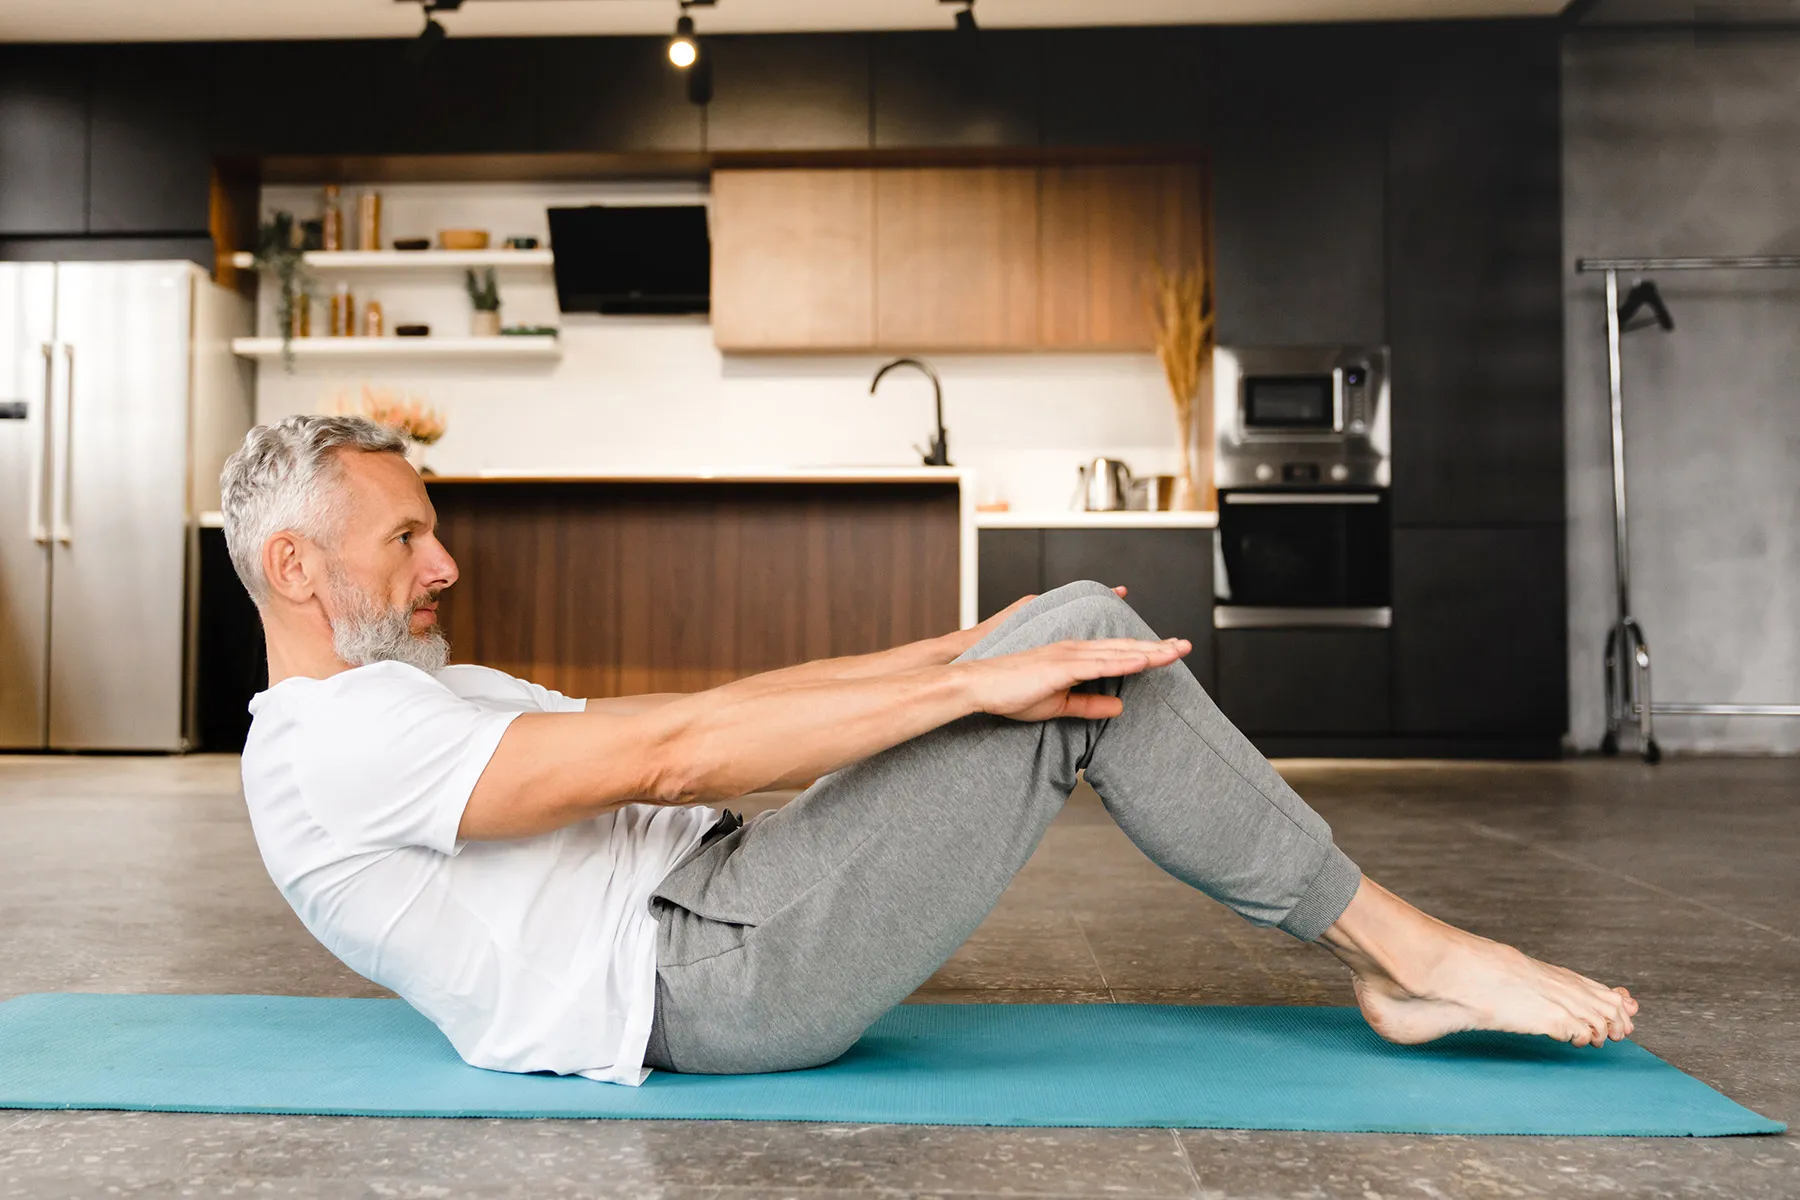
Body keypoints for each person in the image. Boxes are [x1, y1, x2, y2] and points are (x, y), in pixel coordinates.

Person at [223, 414, 1637, 1086]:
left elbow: (708, 715)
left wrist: (962, 650)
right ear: (296, 565)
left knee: (1060, 635)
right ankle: (1412, 957)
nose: (445, 561)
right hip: (704, 975)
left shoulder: (410, 698)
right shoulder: (337, 746)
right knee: (1085, 648)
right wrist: (979, 692)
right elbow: (681, 756)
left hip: (725, 902)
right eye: (408, 534)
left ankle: (1396, 955)